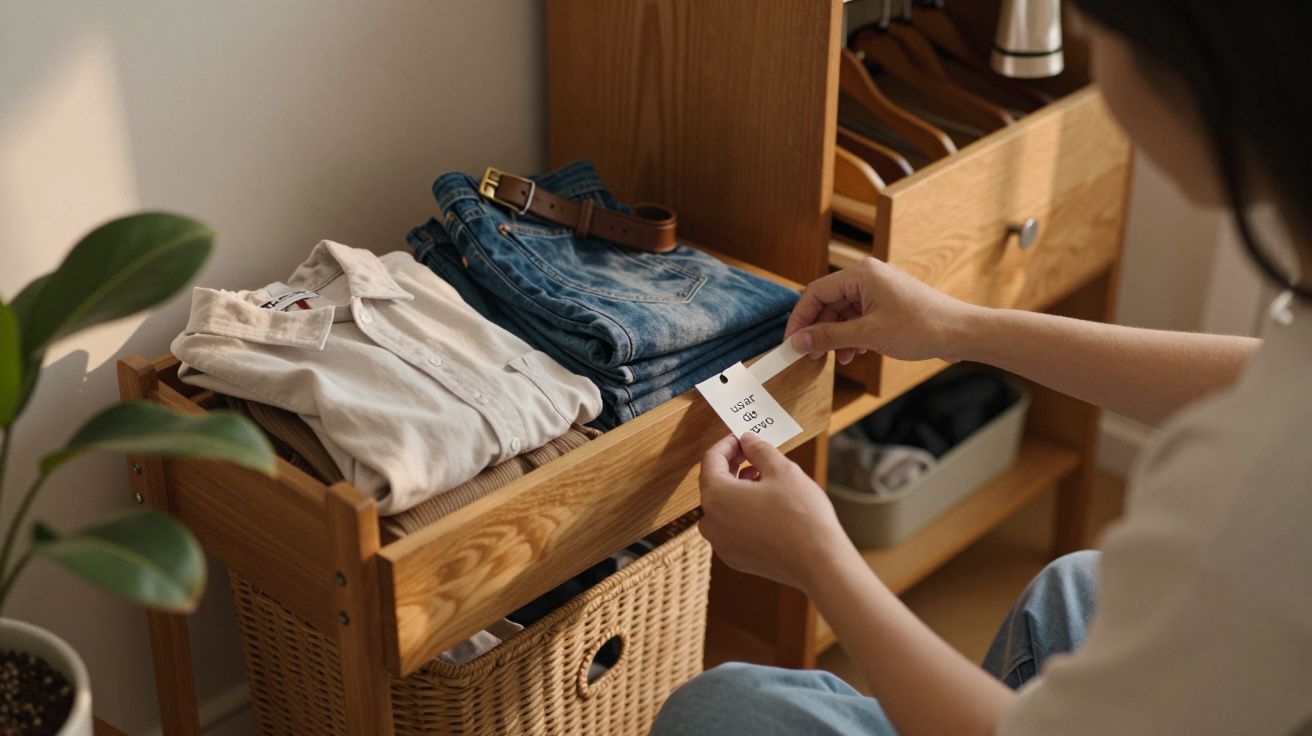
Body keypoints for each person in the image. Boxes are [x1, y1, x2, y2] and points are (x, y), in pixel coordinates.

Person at [653, 2, 1312, 734]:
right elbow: (1266, 375)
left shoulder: (1250, 494)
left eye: (1094, 31)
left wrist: (819, 561)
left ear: (1194, 72)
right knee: (1074, 592)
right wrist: (960, 327)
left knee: (717, 712)